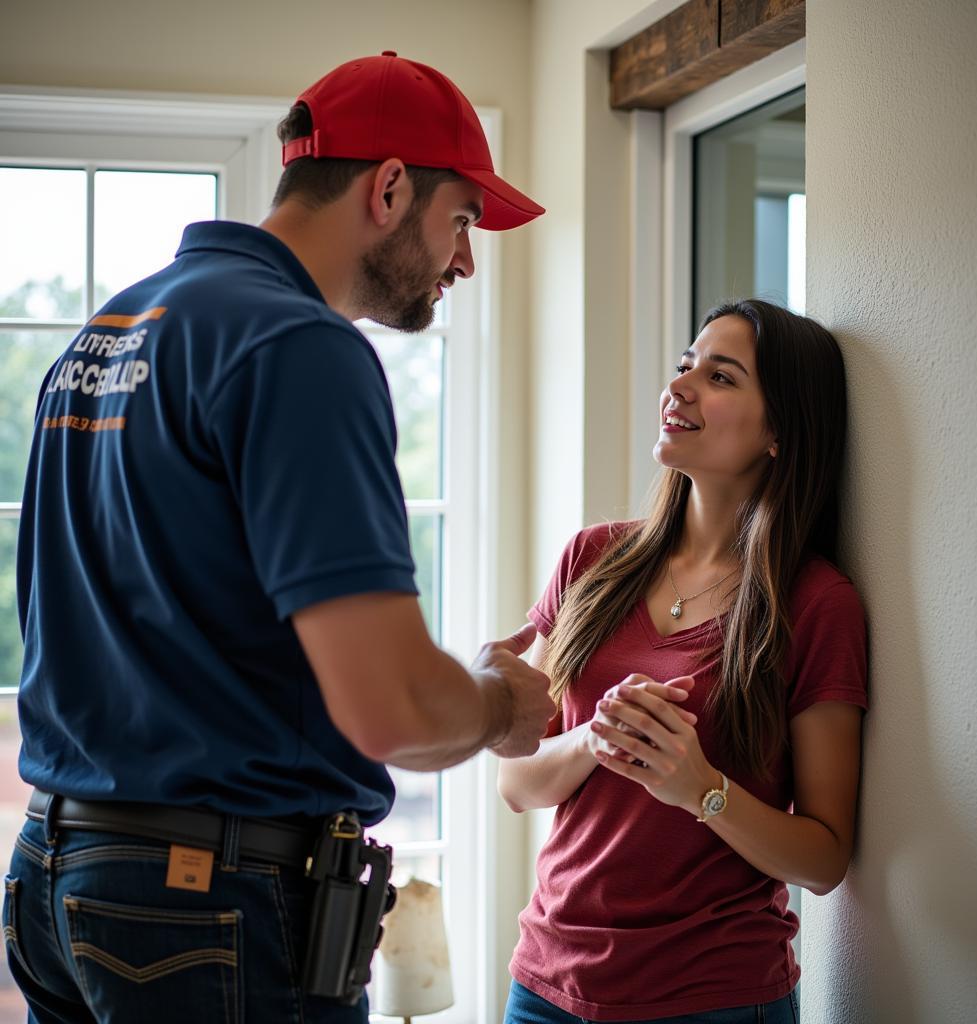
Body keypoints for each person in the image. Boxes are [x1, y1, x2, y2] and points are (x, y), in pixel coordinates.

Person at [6, 52, 552, 1024]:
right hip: (204, 906)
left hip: (57, 876)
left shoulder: (108, 331)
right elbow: (388, 709)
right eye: (461, 218)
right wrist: (500, 706)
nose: (465, 259)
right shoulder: (301, 348)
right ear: (388, 187)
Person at [498, 300, 868, 1024]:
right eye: (684, 366)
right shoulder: (591, 559)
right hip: (546, 988)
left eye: (721, 376)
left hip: (713, 999)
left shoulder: (818, 603)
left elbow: (824, 859)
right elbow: (517, 781)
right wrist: (593, 740)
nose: (682, 387)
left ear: (778, 432)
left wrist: (700, 787)